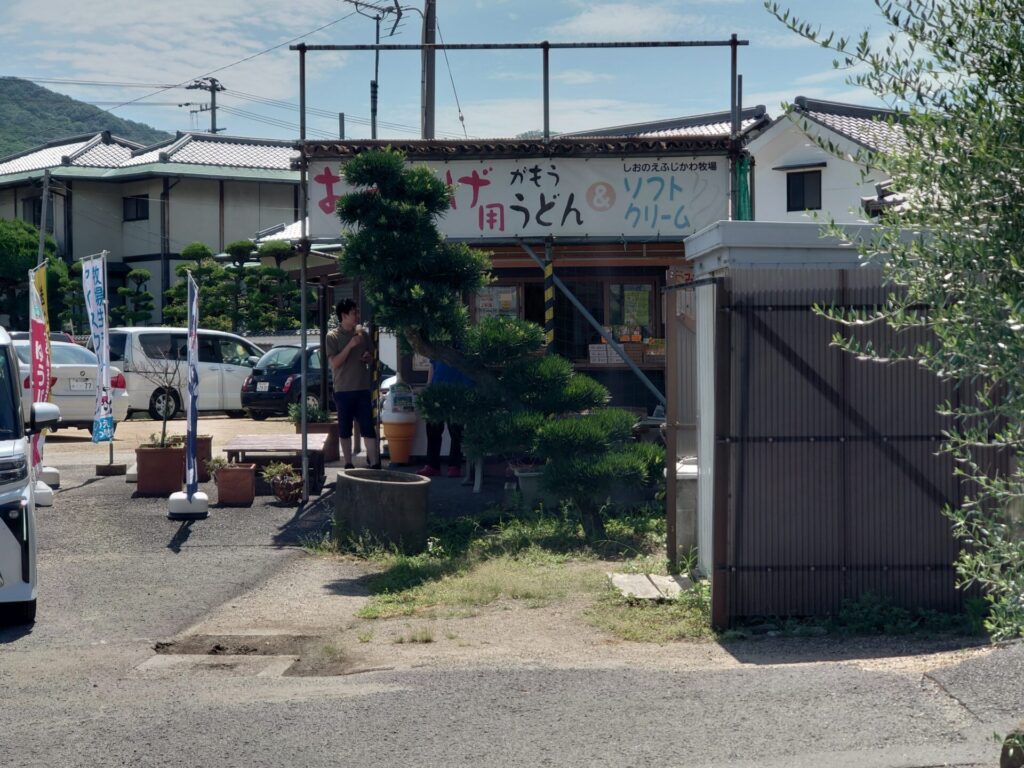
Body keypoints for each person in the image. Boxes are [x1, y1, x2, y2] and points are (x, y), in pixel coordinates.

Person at [325, 299, 380, 469]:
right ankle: (348, 463)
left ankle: (375, 464)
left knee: (368, 427)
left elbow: (372, 358)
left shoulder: (362, 334)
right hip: (343, 390)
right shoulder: (332, 336)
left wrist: (368, 358)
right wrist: (350, 345)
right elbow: (334, 363)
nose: (357, 315)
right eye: (354, 312)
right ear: (344, 315)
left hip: (363, 388)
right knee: (344, 429)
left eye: (357, 311)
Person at [416, 357, 473, 478]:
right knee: (432, 429)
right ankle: (432, 465)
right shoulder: (438, 341)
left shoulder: (465, 342)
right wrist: (428, 386)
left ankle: (454, 465)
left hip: (459, 388)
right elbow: (432, 364)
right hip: (437, 387)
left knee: (456, 430)